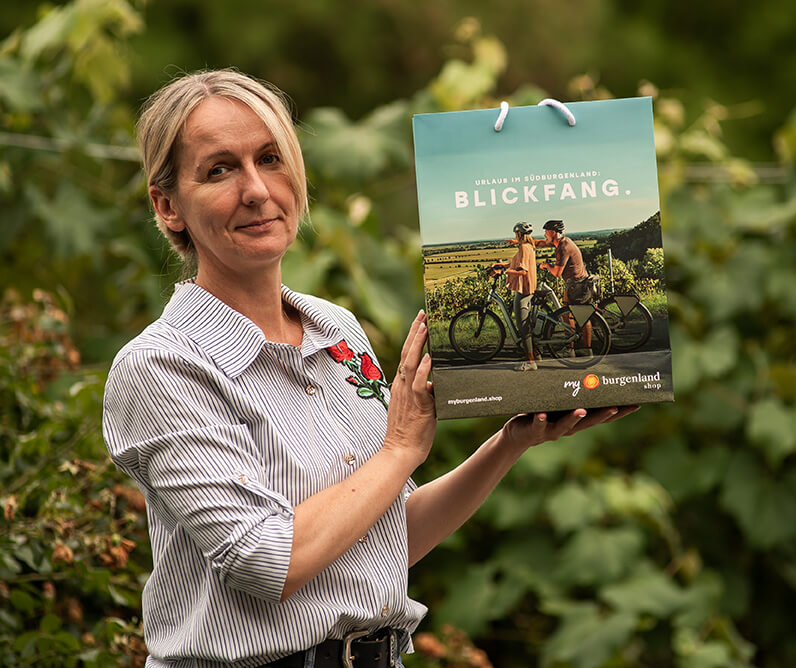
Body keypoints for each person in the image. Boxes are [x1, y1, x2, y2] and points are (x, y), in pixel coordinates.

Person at [101, 68, 638, 668]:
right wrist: (399, 448)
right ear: (168, 206)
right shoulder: (162, 366)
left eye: (270, 158)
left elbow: (389, 537)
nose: (255, 190)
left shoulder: (337, 332)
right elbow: (266, 560)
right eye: (219, 169)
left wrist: (510, 444)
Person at [537, 219, 593, 355]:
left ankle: (587, 349)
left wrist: (546, 266)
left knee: (582, 317)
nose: (544, 234)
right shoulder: (564, 241)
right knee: (566, 315)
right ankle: (570, 348)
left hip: (577, 284)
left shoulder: (563, 247)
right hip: (574, 283)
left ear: (553, 232)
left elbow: (557, 273)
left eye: (546, 232)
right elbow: (540, 243)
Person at [491, 222, 539, 371]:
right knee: (525, 325)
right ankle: (535, 353)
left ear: (518, 234)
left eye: (515, 234)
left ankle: (531, 362)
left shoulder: (524, 248)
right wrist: (501, 265)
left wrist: (503, 272)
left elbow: (522, 271)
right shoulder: (527, 246)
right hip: (527, 288)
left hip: (524, 290)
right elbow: (515, 264)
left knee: (523, 327)